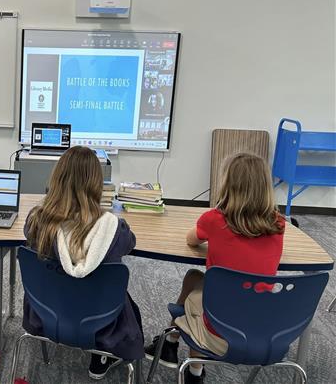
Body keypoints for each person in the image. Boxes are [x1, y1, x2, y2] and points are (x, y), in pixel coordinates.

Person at [144, 153, 285, 384]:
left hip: (218, 330)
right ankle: (168, 343)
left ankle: (193, 371)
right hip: (261, 326)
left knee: (194, 300)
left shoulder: (214, 220)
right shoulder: (279, 223)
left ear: (228, 184)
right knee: (194, 277)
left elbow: (191, 240)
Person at [23, 146, 144, 380]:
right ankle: (102, 356)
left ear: (56, 178)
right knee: (120, 291)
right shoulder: (113, 228)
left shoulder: (36, 221)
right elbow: (130, 243)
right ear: (97, 184)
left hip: (46, 313)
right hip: (103, 322)